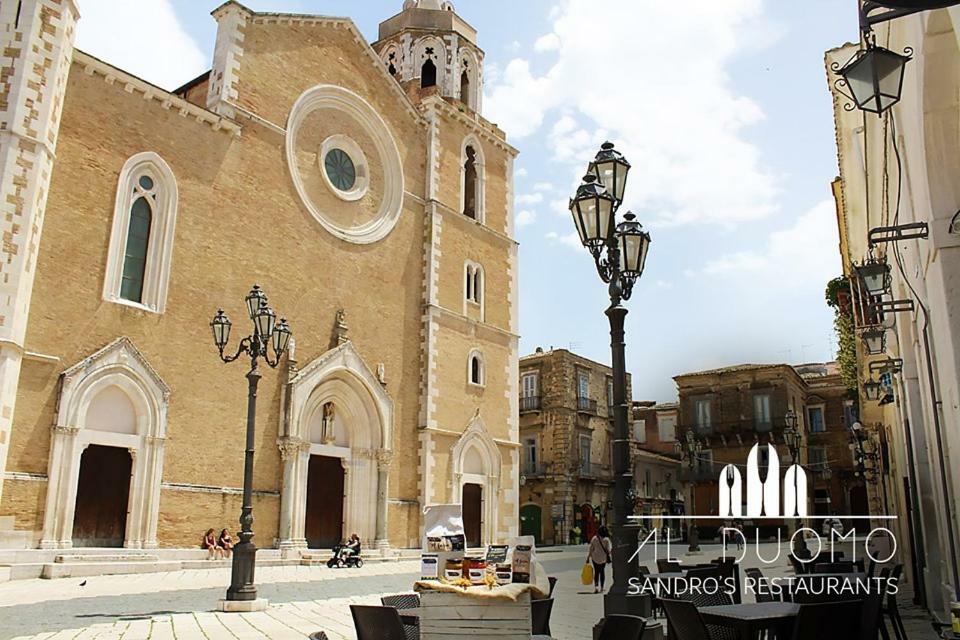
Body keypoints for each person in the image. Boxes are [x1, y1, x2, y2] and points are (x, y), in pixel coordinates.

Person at [587, 525, 613, 594]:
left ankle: (596, 587)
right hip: (603, 558)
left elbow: (591, 549)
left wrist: (588, 557)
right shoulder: (606, 540)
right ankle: (602, 588)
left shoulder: (595, 538)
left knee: (596, 572)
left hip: (595, 557)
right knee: (602, 572)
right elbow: (609, 550)